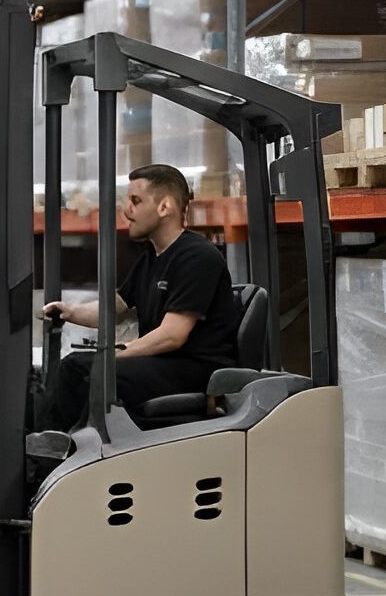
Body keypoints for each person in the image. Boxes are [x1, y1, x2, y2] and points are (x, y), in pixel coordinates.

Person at [37, 164, 243, 431]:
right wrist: (70, 311)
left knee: (88, 370)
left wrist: (119, 352)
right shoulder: (151, 257)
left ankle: (63, 455)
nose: (126, 210)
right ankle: (59, 446)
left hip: (194, 370)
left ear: (164, 207)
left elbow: (173, 335)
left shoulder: (197, 257)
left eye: (135, 201)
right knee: (75, 367)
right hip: (163, 364)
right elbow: (116, 307)